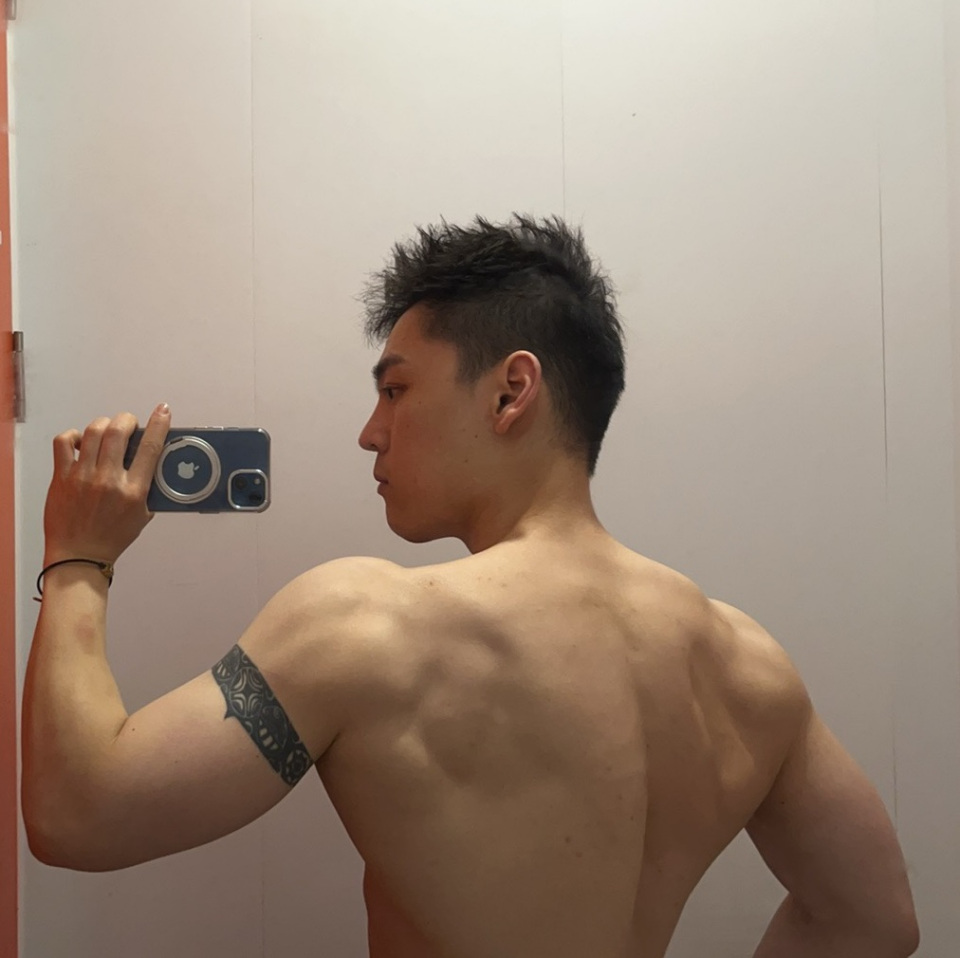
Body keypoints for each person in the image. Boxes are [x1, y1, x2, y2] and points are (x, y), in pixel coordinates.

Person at [21, 215, 919, 958]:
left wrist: (79, 558)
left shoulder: (365, 625)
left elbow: (79, 815)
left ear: (510, 392)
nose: (371, 432)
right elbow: (874, 920)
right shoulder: (747, 666)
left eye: (396, 390)